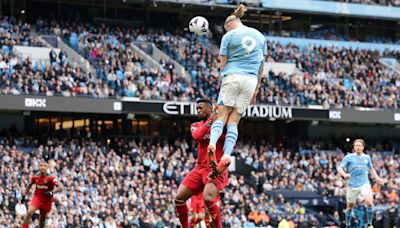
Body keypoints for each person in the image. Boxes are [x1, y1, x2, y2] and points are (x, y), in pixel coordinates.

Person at [207, 4, 267, 178]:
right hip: (251, 80)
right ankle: (226, 155)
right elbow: (261, 66)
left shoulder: (229, 36)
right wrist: (255, 89)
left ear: (229, 25)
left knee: (222, 116)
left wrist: (223, 79)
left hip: (233, 76)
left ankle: (212, 143)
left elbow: (223, 63)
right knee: (234, 120)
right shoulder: (259, 36)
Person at [174, 98, 227, 228]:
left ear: (210, 109)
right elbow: (197, 136)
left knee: (208, 198)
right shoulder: (196, 125)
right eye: (197, 108)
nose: (198, 111)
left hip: (215, 168)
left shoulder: (220, 125)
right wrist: (209, 122)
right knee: (179, 199)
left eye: (201, 108)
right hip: (199, 168)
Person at [337, 139, 385, 228]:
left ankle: (369, 224)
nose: (358, 147)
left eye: (359, 145)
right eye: (356, 145)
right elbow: (339, 168)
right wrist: (344, 174)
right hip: (352, 185)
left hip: (364, 183)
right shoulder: (349, 157)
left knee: (369, 202)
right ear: (354, 147)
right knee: (350, 207)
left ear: (363, 147)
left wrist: (377, 178)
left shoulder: (367, 157)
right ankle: (347, 225)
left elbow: (371, 169)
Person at [22, 161, 63, 228]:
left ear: (47, 167)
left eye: (44, 166)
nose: (43, 167)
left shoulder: (51, 178)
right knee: (29, 212)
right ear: (39, 167)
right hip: (37, 198)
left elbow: (60, 187)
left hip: (47, 201)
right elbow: (29, 186)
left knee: (42, 220)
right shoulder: (35, 177)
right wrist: (24, 196)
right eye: (41, 165)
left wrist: (52, 192)